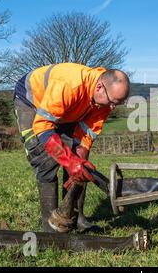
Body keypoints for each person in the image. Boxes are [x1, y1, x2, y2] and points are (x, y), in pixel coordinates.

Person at [13, 63, 130, 233]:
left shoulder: (105, 99)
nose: (112, 108)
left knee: (81, 165)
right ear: (99, 87)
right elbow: (43, 126)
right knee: (45, 160)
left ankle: (75, 218)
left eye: (117, 104)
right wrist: (69, 161)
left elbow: (85, 136)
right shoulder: (70, 85)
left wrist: (78, 163)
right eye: (112, 102)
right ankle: (51, 225)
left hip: (66, 109)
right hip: (32, 103)